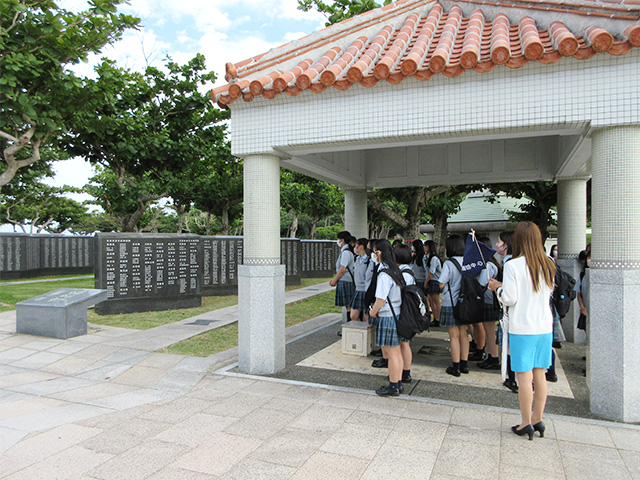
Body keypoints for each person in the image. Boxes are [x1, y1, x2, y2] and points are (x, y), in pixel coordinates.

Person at [488, 221, 556, 440]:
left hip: (522, 327)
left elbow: (510, 298)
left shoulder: (513, 265)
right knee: (540, 374)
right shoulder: (548, 263)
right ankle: (538, 419)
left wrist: (497, 288)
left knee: (524, 377)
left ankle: (525, 423)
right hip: (544, 327)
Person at [369, 239, 412, 396]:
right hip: (397, 314)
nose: (373, 255)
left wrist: (373, 312)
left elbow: (380, 299)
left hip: (388, 315)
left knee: (392, 353)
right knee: (397, 351)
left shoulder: (384, 274)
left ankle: (393, 386)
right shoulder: (395, 270)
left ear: (378, 253)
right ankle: (398, 382)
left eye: (374, 252)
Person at [438, 234, 469, 377]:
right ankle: (464, 364)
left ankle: (455, 366)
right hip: (465, 303)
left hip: (450, 303)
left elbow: (441, 283)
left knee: (454, 336)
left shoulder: (449, 264)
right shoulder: (468, 262)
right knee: (464, 334)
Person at [476, 236, 501, 370]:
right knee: (489, 330)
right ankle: (491, 356)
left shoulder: (488, 265)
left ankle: (494, 357)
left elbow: (482, 283)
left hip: (488, 301)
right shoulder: (492, 263)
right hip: (489, 300)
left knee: (490, 331)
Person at [330, 231, 355, 332]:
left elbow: (342, 269)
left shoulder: (345, 253)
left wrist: (334, 280)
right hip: (346, 280)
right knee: (348, 306)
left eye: (339, 239)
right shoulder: (347, 251)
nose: (338, 241)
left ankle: (350, 328)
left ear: (342, 240)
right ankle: (350, 327)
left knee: (349, 306)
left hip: (345, 281)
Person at [349, 238, 369, 322]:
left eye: (357, 246)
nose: (355, 248)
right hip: (358, 289)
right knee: (353, 315)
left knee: (367, 316)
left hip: (366, 290)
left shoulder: (369, 260)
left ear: (361, 246)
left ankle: (368, 334)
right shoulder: (356, 259)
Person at [423, 240, 442, 328]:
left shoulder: (434, 258)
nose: (424, 248)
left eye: (425, 246)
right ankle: (435, 318)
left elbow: (432, 272)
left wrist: (426, 281)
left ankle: (438, 319)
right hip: (431, 280)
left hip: (434, 280)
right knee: (431, 300)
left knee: (436, 300)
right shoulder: (427, 257)